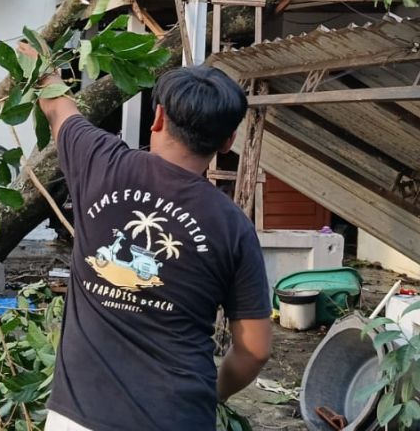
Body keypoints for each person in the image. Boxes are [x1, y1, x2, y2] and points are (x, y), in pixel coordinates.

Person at [22, 43, 272, 431]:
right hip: (178, 417)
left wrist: (43, 69)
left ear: (157, 118)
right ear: (228, 141)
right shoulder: (233, 227)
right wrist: (214, 393)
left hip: (78, 416)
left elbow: (58, 107)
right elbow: (254, 349)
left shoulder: (99, 161)